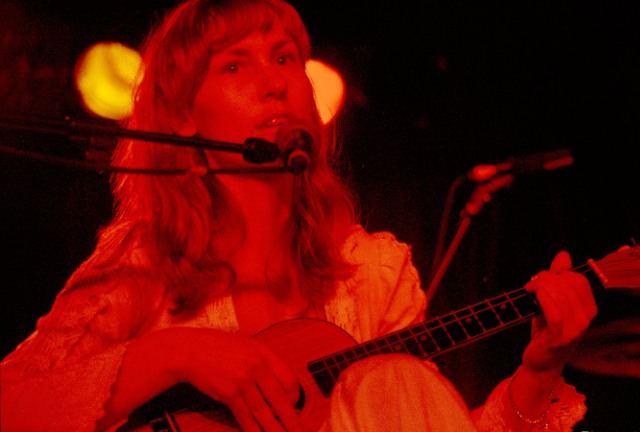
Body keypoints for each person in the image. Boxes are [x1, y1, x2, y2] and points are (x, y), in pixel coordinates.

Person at [0, 0, 598, 431]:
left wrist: (538, 373)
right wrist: (175, 353)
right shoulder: (143, 262)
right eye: (235, 66)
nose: (275, 84)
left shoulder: (373, 272)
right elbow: (13, 405)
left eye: (285, 59)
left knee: (393, 381)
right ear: (182, 116)